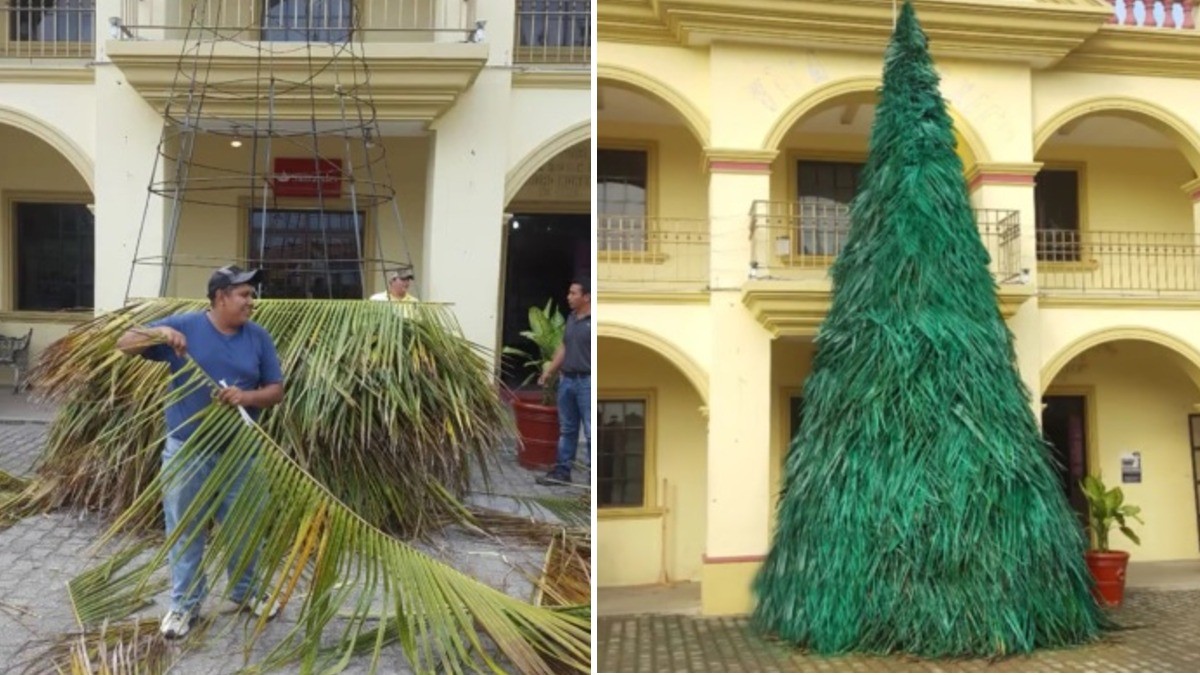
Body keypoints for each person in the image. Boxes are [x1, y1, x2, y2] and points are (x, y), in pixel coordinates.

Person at [116, 265, 285, 640]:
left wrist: (247, 396)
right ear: (220, 297)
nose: (251, 301)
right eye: (244, 294)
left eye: (251, 295)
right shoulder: (185, 327)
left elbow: (275, 390)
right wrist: (159, 332)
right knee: (186, 528)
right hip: (188, 449)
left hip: (241, 452)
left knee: (245, 526)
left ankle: (247, 592)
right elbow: (124, 343)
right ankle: (185, 604)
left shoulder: (258, 337)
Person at [536, 280, 591, 486]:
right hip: (567, 380)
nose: (569, 296)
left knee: (590, 431)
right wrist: (549, 372)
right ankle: (562, 472)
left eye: (573, 293)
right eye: (569, 292)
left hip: (587, 382)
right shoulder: (572, 318)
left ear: (586, 297)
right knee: (567, 429)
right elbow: (564, 348)